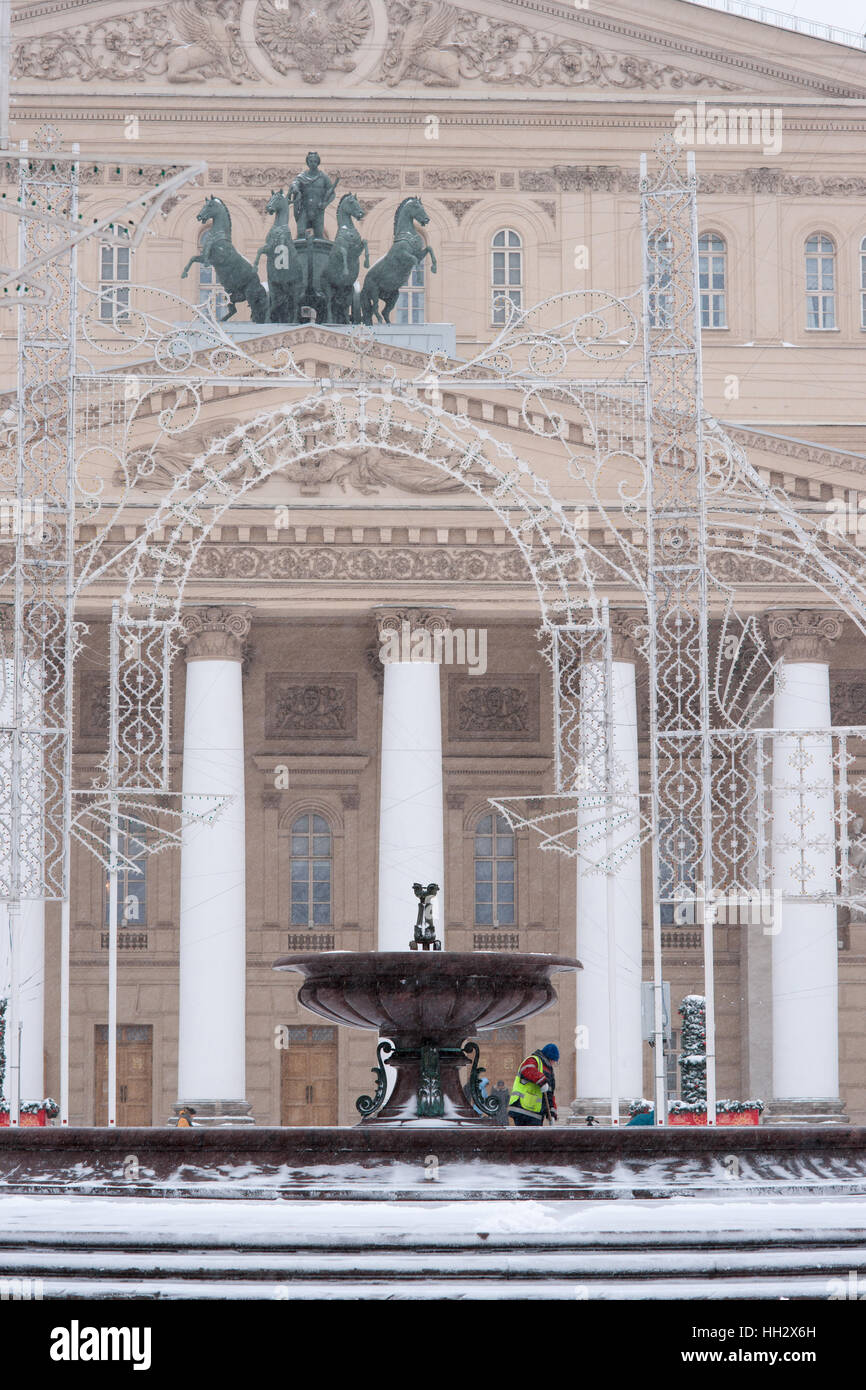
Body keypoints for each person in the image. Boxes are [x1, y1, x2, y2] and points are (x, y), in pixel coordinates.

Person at [509, 1043, 559, 1126]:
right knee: (525, 1137)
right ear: (549, 1058)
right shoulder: (534, 1060)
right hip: (522, 1108)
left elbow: (549, 1094)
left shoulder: (549, 1072)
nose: (554, 1063)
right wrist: (541, 1080)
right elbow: (527, 1069)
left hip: (536, 1113)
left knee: (534, 1138)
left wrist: (552, 1112)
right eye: (554, 1060)